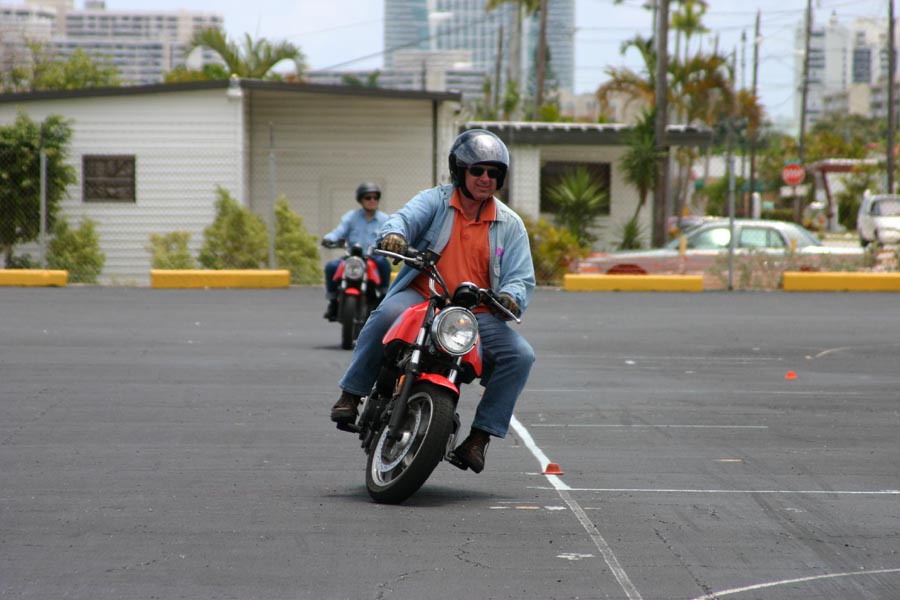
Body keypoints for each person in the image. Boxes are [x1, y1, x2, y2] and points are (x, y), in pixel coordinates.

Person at [329, 129, 536, 474]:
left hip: (475, 314)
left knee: (520, 355)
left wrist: (511, 297)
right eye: (477, 170)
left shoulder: (510, 224)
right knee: (385, 315)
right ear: (460, 171)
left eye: (494, 173)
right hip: (424, 297)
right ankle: (351, 393)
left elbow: (521, 277)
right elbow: (402, 219)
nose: (485, 178)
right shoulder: (435, 201)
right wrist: (394, 235)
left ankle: (479, 438)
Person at [321, 182, 392, 321]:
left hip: (373, 257)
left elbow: (391, 233)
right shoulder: (351, 217)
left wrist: (390, 242)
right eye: (368, 197)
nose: (372, 200)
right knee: (331, 267)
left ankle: (383, 299)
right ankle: (333, 302)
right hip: (353, 257)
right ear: (361, 200)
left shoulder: (385, 219)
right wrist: (329, 239)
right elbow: (338, 232)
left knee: (384, 264)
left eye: (375, 197)